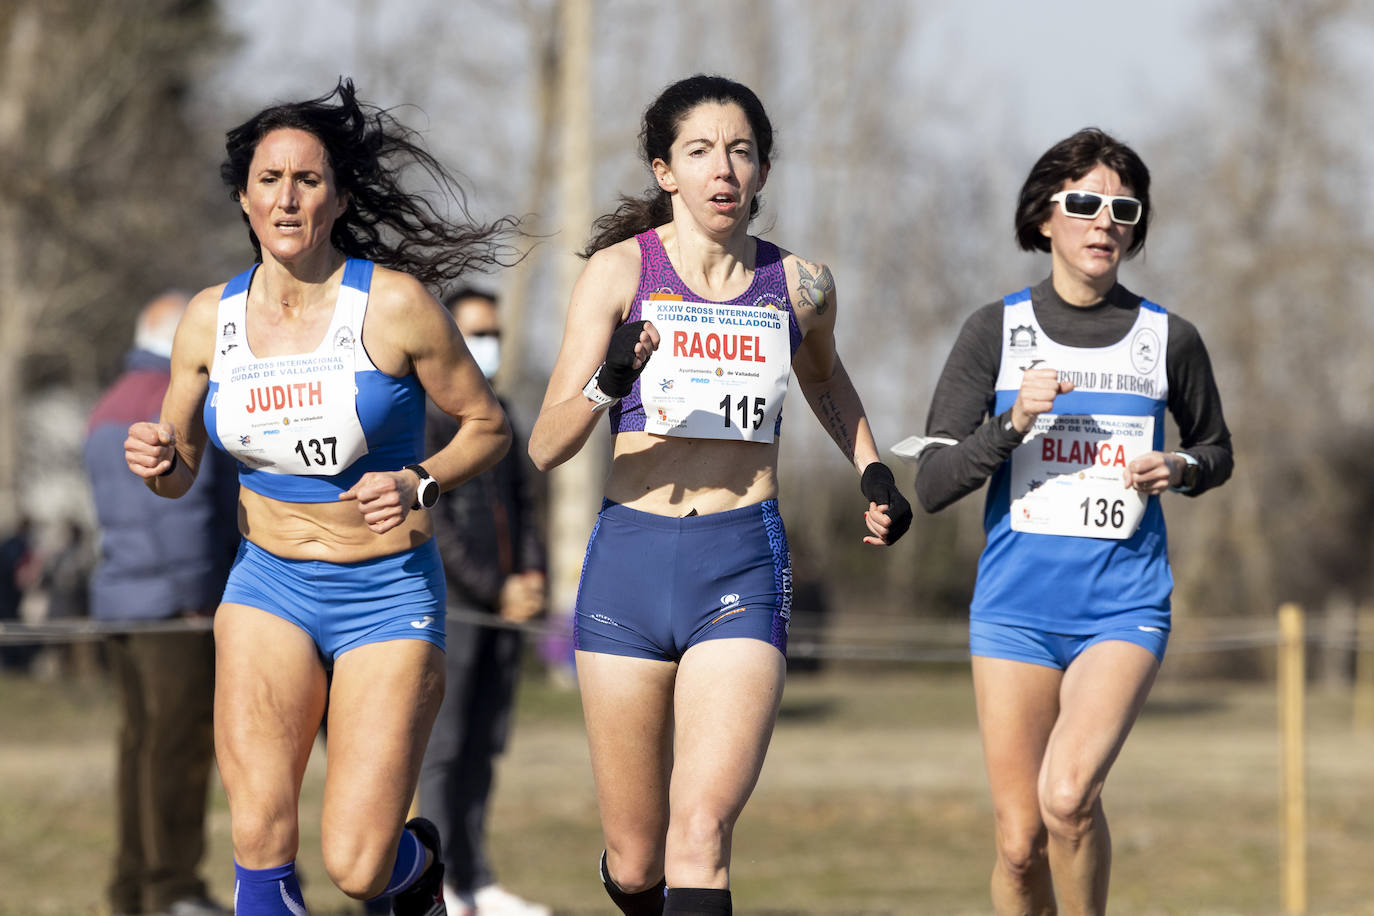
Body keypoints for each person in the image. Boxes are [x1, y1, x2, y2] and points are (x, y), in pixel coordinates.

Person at [123, 78, 516, 916]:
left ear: (337, 197)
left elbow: (487, 426)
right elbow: (179, 467)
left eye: (308, 179)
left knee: (356, 864)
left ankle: (418, 869)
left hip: (386, 593)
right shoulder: (208, 320)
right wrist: (156, 458)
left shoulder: (396, 305)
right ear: (244, 197)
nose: (288, 196)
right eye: (270, 179)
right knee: (259, 837)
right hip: (267, 584)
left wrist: (422, 479)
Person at [528, 74, 913, 916]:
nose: (723, 168)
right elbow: (546, 445)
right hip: (628, 564)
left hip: (738, 560)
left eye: (741, 151)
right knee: (636, 864)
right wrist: (609, 380)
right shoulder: (619, 273)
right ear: (666, 171)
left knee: (699, 833)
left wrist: (873, 470)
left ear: (765, 170)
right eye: (700, 151)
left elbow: (828, 382)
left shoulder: (802, 285)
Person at [914, 127, 1233, 915]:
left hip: (1121, 607)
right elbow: (932, 483)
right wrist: (1011, 424)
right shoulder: (995, 332)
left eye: (1123, 208)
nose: (1105, 222)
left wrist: (1183, 469)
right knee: (1020, 845)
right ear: (1044, 217)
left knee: (1068, 799)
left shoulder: (1170, 339)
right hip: (1015, 613)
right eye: (1085, 203)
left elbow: (1216, 450)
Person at [85, 291, 241, 916]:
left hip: (119, 598)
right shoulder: (170, 399)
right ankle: (173, 887)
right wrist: (196, 596)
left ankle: (132, 886)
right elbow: (182, 511)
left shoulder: (110, 400)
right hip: (174, 608)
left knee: (140, 749)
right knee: (179, 750)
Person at [417, 287, 551, 916]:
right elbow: (435, 531)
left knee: (484, 746)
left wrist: (530, 577)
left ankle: (475, 878)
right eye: (474, 332)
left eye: (493, 332)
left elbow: (525, 509)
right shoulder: (425, 421)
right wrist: (493, 589)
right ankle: (437, 883)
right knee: (442, 752)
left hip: (505, 612)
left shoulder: (504, 417)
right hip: (454, 612)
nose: (487, 345)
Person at [0, 514, 38, 672]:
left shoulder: (11, 544)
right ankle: (15, 661)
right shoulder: (17, 546)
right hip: (9, 594)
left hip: (8, 594)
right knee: (13, 626)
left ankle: (14, 660)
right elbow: (16, 572)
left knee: (11, 625)